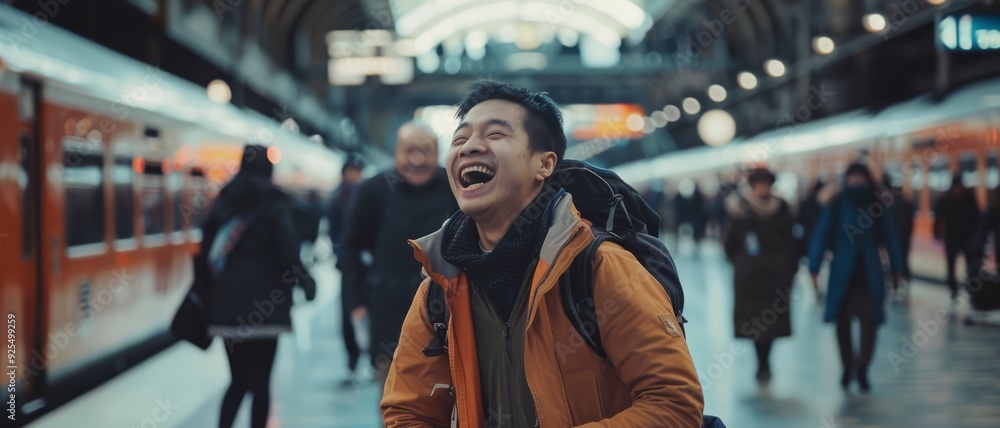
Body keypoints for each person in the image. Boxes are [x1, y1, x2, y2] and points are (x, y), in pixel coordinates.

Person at [381, 81, 704, 426]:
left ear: (545, 165)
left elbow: (674, 403)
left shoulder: (596, 267)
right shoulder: (439, 287)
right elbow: (407, 411)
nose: (469, 147)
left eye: (495, 135)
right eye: (459, 139)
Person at [196, 144, 317, 428]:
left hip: (227, 311)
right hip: (267, 310)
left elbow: (203, 255)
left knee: (238, 380)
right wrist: (305, 282)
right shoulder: (275, 205)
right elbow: (289, 255)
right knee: (261, 383)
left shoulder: (223, 202)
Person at [340, 122, 458, 385]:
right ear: (397, 153)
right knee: (393, 393)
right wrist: (355, 303)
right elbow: (351, 249)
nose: (417, 159)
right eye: (410, 151)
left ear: (437, 152)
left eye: (424, 151)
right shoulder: (373, 190)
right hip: (387, 311)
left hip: (446, 311)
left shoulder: (454, 187)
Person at [808, 163, 904, 393]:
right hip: (842, 274)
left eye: (860, 178)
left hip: (870, 274)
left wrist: (897, 266)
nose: (856, 183)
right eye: (852, 178)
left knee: (869, 322)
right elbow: (821, 233)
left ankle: (862, 368)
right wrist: (814, 264)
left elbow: (890, 235)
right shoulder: (837, 203)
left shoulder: (877, 203)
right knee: (842, 323)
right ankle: (847, 365)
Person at [722, 167, 798, 383]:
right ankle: (762, 363)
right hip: (750, 279)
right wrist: (742, 264)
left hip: (776, 276)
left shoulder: (783, 209)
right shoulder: (740, 210)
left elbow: (792, 242)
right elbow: (729, 243)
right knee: (757, 323)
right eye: (758, 184)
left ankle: (765, 362)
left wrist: (789, 267)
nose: (763, 188)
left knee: (772, 323)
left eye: (766, 183)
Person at [330, 154, 366, 382]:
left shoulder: (367, 195)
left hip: (366, 265)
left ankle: (372, 357)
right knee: (347, 312)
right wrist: (342, 254)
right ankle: (353, 360)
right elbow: (333, 233)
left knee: (367, 310)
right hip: (349, 265)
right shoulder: (338, 199)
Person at [933, 174, 981, 304]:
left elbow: (977, 217)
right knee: (951, 264)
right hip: (951, 237)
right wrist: (937, 235)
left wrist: (977, 236)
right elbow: (938, 218)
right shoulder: (946, 199)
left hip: (967, 237)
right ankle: (953, 290)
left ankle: (973, 292)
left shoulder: (969, 199)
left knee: (971, 266)